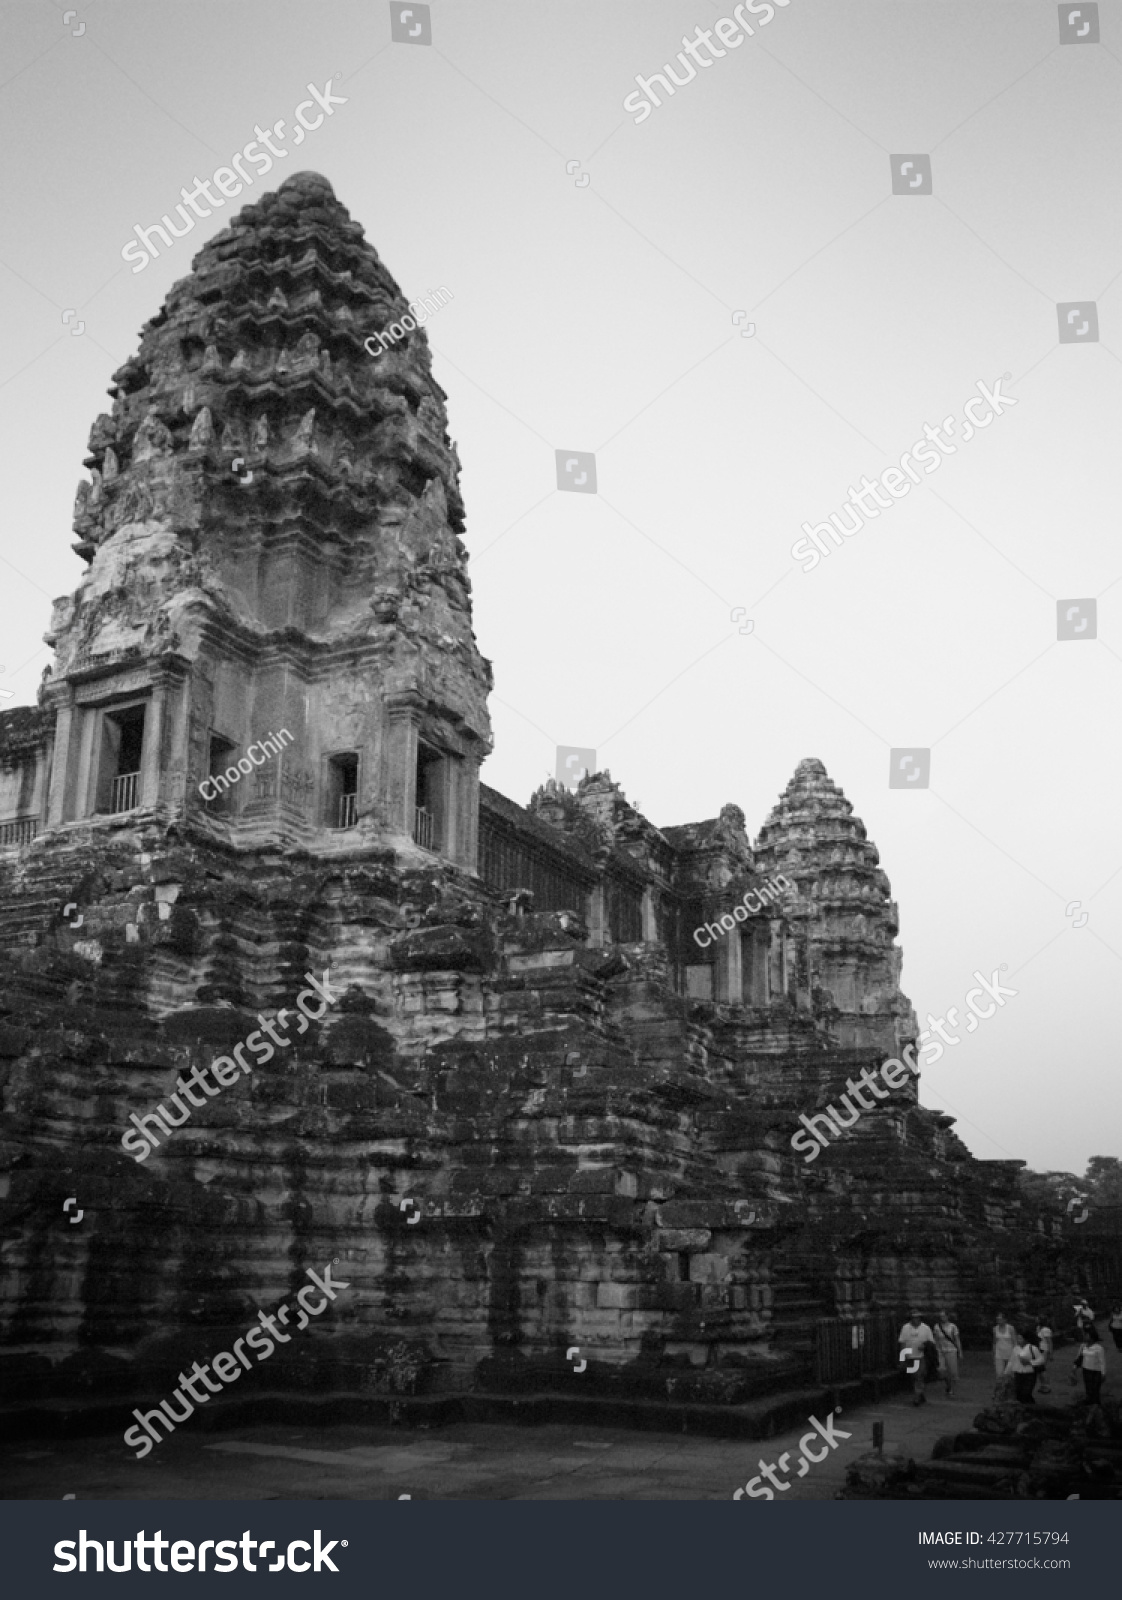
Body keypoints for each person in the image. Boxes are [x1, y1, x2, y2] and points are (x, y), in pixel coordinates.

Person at [899, 1309, 935, 1405]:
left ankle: (917, 1396)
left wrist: (924, 1346)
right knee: (914, 1376)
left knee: (919, 1375)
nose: (915, 1320)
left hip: (921, 1356)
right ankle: (920, 1394)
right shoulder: (906, 1328)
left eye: (917, 1318)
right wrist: (903, 1356)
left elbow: (931, 1342)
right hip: (910, 1356)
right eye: (914, 1318)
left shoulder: (926, 1328)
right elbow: (902, 1342)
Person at [1006, 1334, 1045, 1404]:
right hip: (1018, 1374)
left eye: (1020, 1339)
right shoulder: (1016, 1349)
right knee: (1018, 1392)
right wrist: (1006, 1372)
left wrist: (1030, 1362)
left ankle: (1029, 1405)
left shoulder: (1032, 1348)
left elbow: (1041, 1360)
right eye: (1017, 1339)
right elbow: (1011, 1361)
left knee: (1026, 1392)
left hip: (1029, 1374)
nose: (1018, 1341)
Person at [933, 1310, 963, 1396]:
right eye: (941, 1316)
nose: (942, 1318)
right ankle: (948, 1384)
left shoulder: (953, 1327)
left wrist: (960, 1351)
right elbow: (935, 1339)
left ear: (947, 1316)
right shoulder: (937, 1327)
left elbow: (957, 1339)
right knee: (942, 1370)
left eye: (944, 1316)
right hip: (941, 1350)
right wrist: (936, 1349)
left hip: (951, 1350)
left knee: (953, 1371)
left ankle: (951, 1388)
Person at [1073, 1326, 1106, 1406]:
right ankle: (1089, 1401)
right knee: (1088, 1387)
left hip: (1096, 1371)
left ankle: (1096, 1403)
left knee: (1095, 1388)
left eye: (1087, 1335)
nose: (1085, 1337)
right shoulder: (1083, 1346)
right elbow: (1079, 1357)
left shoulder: (1099, 1348)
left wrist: (1103, 1373)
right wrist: (1074, 1367)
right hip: (1086, 1370)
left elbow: (1102, 1361)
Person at [992, 1313, 1017, 1388]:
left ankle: (1010, 1392)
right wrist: (993, 1353)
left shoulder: (1010, 1328)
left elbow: (1014, 1341)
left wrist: (1016, 1353)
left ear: (1004, 1320)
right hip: (999, 1354)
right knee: (999, 1374)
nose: (998, 1320)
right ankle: (999, 1392)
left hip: (1010, 1354)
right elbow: (994, 1342)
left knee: (1010, 1374)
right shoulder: (995, 1329)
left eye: (1000, 1319)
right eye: (997, 1319)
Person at [1035, 1317, 1054, 1394]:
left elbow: (1049, 1342)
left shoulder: (1046, 1330)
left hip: (1044, 1350)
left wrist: (1051, 1353)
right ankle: (1042, 1385)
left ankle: (1047, 1385)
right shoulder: (1038, 1328)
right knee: (1039, 1370)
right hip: (1038, 1350)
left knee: (1042, 1369)